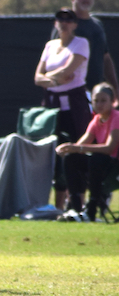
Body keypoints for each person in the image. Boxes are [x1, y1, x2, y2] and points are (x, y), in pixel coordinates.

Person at [36, 7, 91, 212]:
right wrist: (55, 79)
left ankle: (78, 204)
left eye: (69, 20)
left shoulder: (81, 43)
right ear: (55, 23)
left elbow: (69, 71)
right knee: (54, 154)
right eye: (60, 19)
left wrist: (49, 78)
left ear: (75, 24)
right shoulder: (50, 46)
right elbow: (37, 77)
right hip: (52, 107)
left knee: (75, 152)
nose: (64, 23)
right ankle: (57, 207)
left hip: (75, 107)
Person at [54, 83, 119, 222]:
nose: (99, 104)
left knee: (96, 159)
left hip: (114, 167)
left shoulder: (116, 117)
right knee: (71, 158)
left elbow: (109, 148)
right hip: (101, 164)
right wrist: (68, 148)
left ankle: (92, 208)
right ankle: (75, 207)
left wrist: (79, 148)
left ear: (112, 101)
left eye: (103, 100)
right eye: (96, 101)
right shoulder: (96, 120)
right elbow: (80, 144)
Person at [53, 0, 118, 91]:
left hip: (96, 93)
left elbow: (105, 57)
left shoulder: (97, 24)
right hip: (73, 90)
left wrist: (115, 87)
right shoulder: (65, 25)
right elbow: (55, 56)